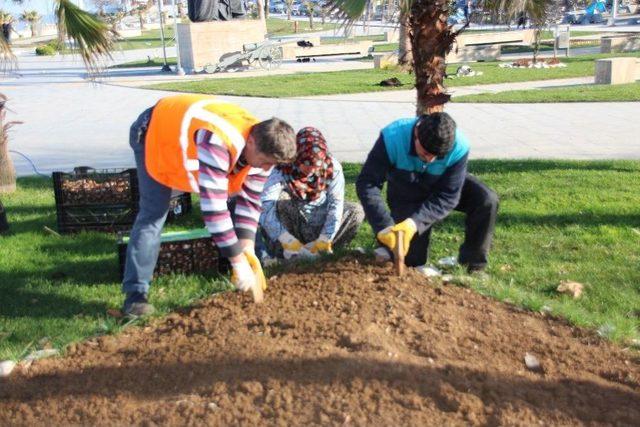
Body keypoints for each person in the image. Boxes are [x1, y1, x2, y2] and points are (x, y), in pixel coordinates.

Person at [122, 94, 296, 316]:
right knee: (154, 213)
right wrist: (236, 261)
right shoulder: (219, 140)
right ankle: (135, 296)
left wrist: (247, 247)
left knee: (234, 202)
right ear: (251, 142)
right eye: (265, 162)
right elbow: (214, 209)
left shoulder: (265, 146)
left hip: (183, 140)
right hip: (155, 136)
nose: (266, 169)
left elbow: (249, 201)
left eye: (272, 165)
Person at [356, 112, 498, 274]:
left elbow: (448, 195)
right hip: (407, 189)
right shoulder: (392, 137)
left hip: (441, 181)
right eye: (425, 154)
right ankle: (388, 248)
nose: (430, 160)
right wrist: (384, 226)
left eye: (438, 156)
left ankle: (474, 265)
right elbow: (367, 183)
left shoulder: (459, 145)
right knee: (412, 260)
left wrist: (414, 223)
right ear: (416, 134)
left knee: (486, 200)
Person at [258, 127, 364, 260]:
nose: (312, 170)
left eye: (316, 165)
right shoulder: (281, 168)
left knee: (356, 211)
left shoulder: (333, 167)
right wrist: (286, 239)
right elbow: (265, 207)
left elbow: (336, 205)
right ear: (296, 156)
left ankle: (325, 249)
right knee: (280, 201)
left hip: (321, 220)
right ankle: (286, 253)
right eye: (306, 165)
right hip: (294, 223)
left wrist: (325, 237)